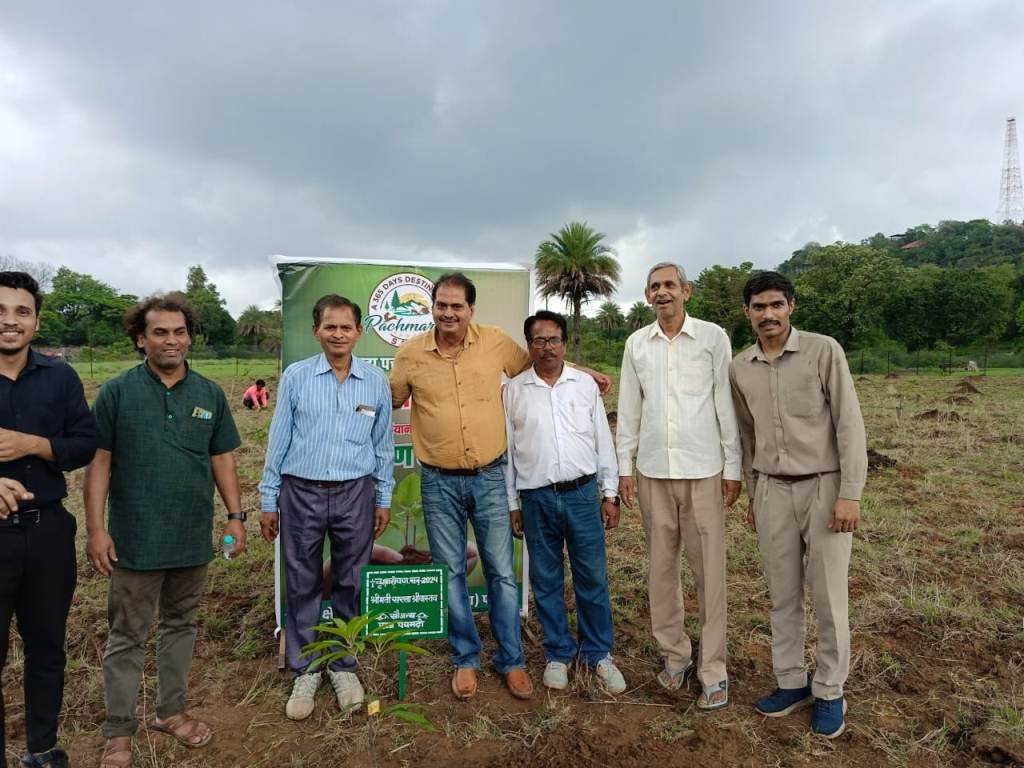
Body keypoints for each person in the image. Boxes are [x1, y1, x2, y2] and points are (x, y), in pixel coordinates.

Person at [389, 272, 609, 702]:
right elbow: (390, 401)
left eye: (457, 306)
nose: (449, 312)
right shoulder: (411, 354)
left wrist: (586, 372)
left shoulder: (494, 342)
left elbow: (542, 360)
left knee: (502, 573)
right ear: (431, 308)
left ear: (471, 310)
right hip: (437, 482)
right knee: (450, 571)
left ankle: (512, 660)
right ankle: (466, 659)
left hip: (491, 477)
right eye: (442, 305)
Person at [84, 293, 246, 768]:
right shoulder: (117, 392)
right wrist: (97, 529)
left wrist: (235, 517)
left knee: (181, 626)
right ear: (141, 339)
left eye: (179, 332)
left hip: (191, 536)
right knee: (128, 634)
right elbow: (100, 464)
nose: (171, 340)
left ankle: (171, 713)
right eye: (160, 332)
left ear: (189, 336)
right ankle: (118, 732)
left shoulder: (210, 394)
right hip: (134, 539)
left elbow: (223, 459)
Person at [729, 271, 866, 739]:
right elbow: (747, 436)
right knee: (782, 594)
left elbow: (848, 423)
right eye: (758, 307)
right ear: (747, 313)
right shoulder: (739, 366)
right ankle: (791, 681)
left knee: (829, 595)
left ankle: (829, 689)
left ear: (791, 307)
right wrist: (753, 492)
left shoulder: (823, 351)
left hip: (824, 487)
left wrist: (850, 493)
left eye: (776, 305)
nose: (768, 315)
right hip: (770, 490)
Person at [258, 295, 394, 721]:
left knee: (350, 579)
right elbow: (278, 440)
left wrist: (384, 496)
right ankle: (306, 667)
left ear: (359, 332)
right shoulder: (297, 378)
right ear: (316, 331)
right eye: (330, 327)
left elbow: (383, 444)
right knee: (303, 580)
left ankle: (343, 665)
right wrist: (268, 497)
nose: (338, 334)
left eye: (346, 327)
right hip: (301, 491)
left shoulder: (374, 382)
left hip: (357, 492)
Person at [616, 262, 741, 711]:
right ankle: (675, 656)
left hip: (704, 469)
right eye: (654, 287)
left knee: (709, 571)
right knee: (662, 570)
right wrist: (623, 468)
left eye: (670, 285)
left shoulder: (712, 337)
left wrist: (733, 466)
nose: (662, 293)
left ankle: (713, 669)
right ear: (647, 296)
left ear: (686, 291)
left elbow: (724, 402)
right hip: (653, 471)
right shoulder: (637, 344)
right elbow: (629, 408)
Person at [0, 272, 97, 768]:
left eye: (21, 311)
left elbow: (84, 442)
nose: (9, 321)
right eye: (1, 310)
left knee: (47, 647)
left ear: (36, 321)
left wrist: (33, 445)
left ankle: (42, 747)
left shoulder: (60, 377)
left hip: (47, 531)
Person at [503, 310, 625, 695]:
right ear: (529, 346)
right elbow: (507, 451)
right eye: (539, 340)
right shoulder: (514, 391)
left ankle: (598, 653)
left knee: (592, 576)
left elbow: (602, 441)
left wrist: (610, 493)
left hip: (582, 495)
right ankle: (558, 653)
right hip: (536, 498)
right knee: (547, 579)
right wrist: (512, 503)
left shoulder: (584, 386)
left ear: (565, 344)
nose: (547, 346)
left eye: (554, 339)